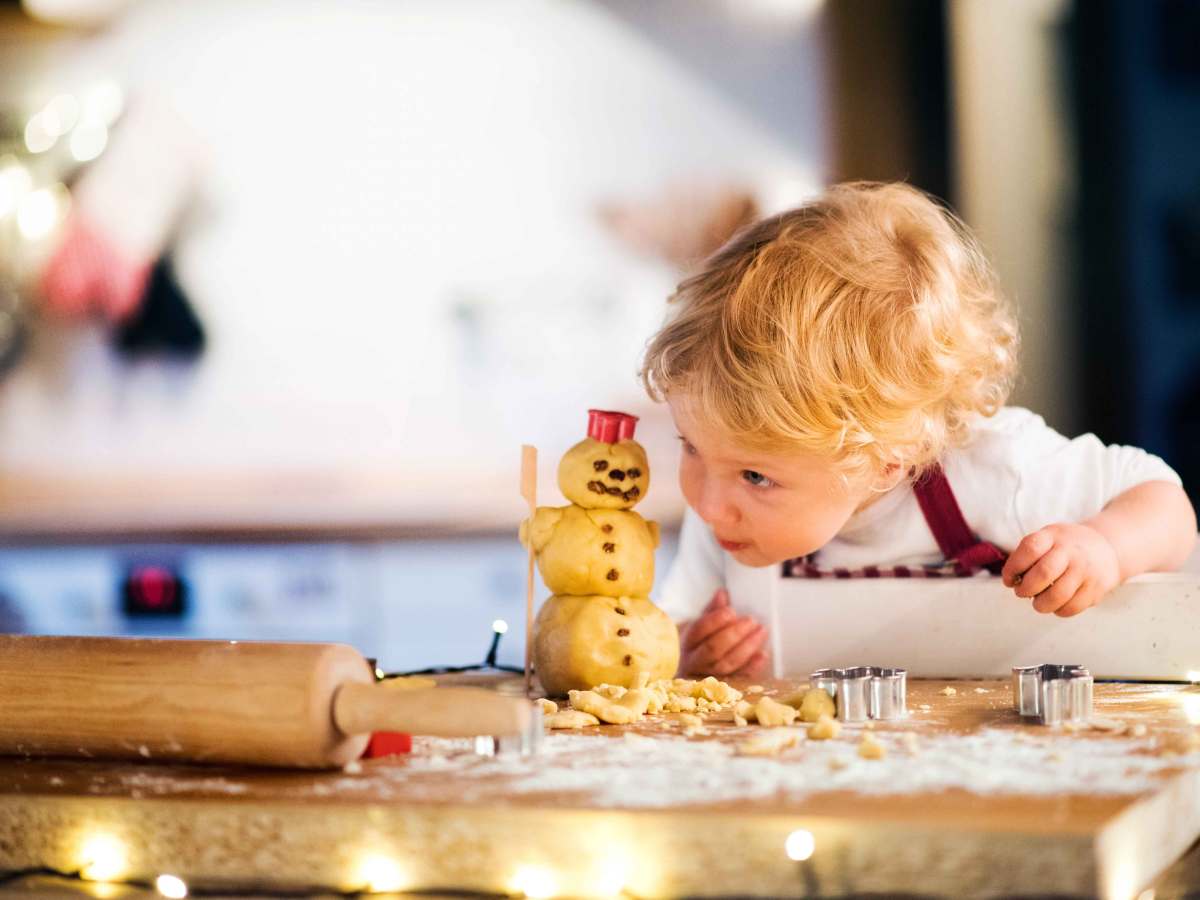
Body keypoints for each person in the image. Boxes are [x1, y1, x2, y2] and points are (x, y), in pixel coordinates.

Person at [640, 182, 1197, 679]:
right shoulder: (725, 518)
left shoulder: (1000, 470)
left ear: (888, 459)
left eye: (757, 476)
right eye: (691, 445)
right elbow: (668, 633)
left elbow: (1166, 505)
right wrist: (690, 651)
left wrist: (1105, 545)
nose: (708, 503)